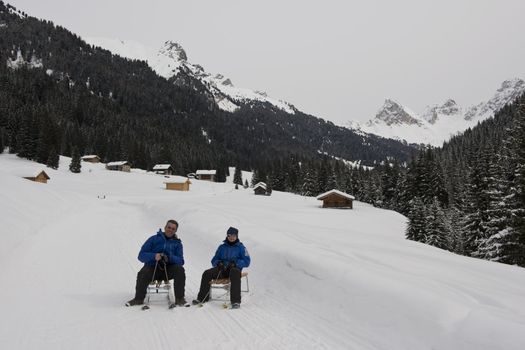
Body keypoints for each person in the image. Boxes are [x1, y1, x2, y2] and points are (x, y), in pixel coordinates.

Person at [126, 219, 187, 307]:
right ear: (165, 227)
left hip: (168, 270)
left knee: (180, 270)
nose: (170, 230)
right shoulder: (153, 239)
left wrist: (170, 257)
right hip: (152, 267)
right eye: (169, 227)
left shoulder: (177, 244)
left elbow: (181, 261)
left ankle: (180, 299)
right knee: (142, 273)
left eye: (173, 229)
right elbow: (141, 256)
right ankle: (138, 299)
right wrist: (154, 256)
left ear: (175, 231)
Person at [192, 226, 251, 309]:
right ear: (227, 236)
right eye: (229, 235)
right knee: (207, 273)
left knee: (234, 272)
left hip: (234, 271)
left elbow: (247, 262)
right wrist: (218, 263)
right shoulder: (222, 247)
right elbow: (214, 260)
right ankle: (202, 298)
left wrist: (236, 263)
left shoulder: (241, 248)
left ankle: (235, 302)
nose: (231, 237)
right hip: (222, 270)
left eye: (233, 236)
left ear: (237, 236)